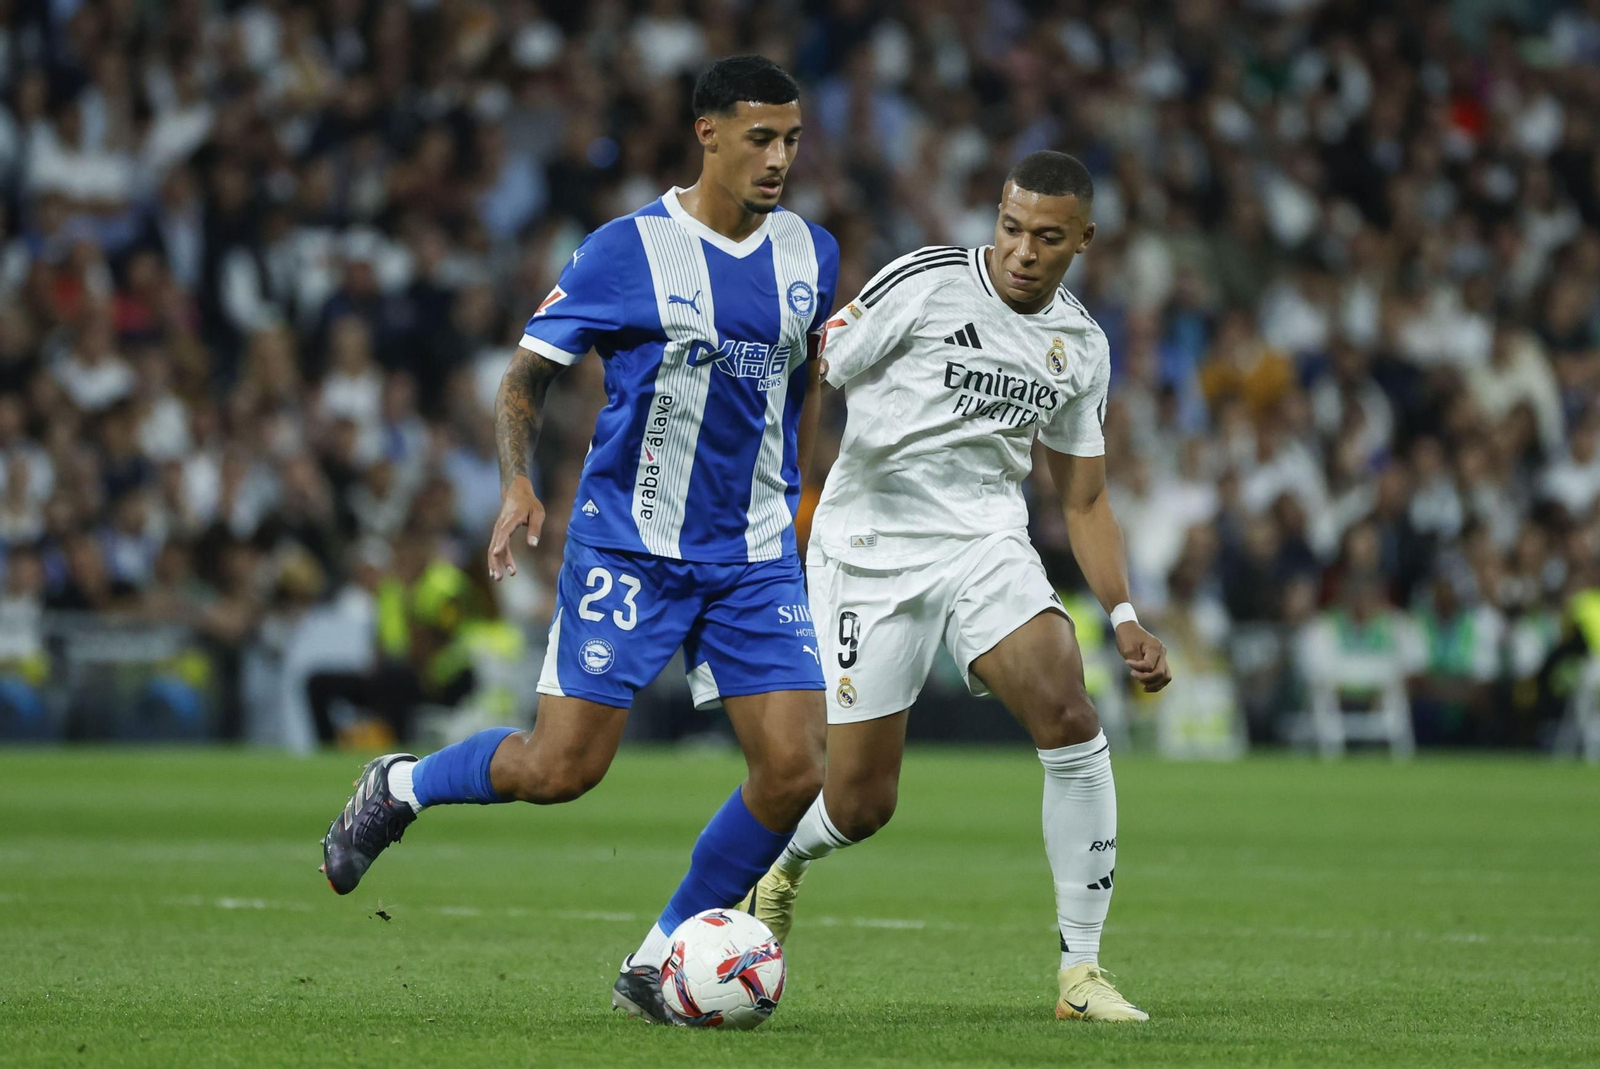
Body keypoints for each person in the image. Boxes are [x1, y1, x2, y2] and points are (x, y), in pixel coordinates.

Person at [318, 55, 838, 1024]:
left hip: (753, 554)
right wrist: (517, 480)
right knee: (562, 769)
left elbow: (802, 387)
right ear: (708, 134)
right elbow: (526, 377)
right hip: (631, 546)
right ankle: (402, 782)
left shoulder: (813, 253)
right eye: (761, 138)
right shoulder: (624, 251)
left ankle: (655, 958)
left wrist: (800, 502)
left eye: (792, 140)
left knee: (796, 768)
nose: (779, 159)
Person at [739, 152, 1171, 1022]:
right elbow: (812, 367)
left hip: (983, 541)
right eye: (1011, 228)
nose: (1022, 251)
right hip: (869, 547)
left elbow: (1084, 499)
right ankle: (779, 869)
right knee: (860, 802)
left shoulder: (1081, 345)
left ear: (1083, 240)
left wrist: (1124, 613)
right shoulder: (925, 281)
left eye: (1047, 237)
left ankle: (1081, 972)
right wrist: (781, 495)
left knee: (1068, 708)